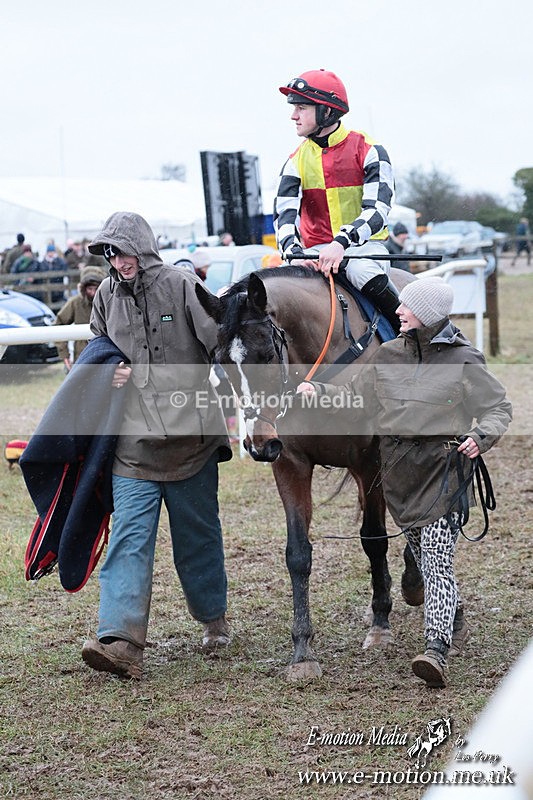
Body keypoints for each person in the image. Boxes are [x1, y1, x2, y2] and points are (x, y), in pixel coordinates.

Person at [296, 277, 512, 688]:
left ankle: (435, 651)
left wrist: (479, 437)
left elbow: (498, 406)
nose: (397, 310)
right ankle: (455, 613)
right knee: (424, 555)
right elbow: (355, 398)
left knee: (434, 563)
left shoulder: (464, 359)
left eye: (406, 307)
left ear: (426, 314)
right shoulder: (389, 355)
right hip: (399, 478)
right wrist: (317, 392)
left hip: (443, 471)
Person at [81, 211, 232, 680]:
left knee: (197, 538)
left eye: (123, 251)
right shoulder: (105, 294)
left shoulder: (183, 285)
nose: (117, 261)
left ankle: (214, 621)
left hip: (192, 444)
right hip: (132, 448)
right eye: (109, 252)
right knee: (128, 539)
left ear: (143, 249)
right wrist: (110, 373)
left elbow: (220, 344)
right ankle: (119, 640)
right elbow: (96, 353)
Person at [274, 69, 399, 332]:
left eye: (301, 108)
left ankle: (406, 337)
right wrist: (292, 250)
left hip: (362, 248)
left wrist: (341, 242)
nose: (293, 116)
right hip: (314, 253)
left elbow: (378, 211)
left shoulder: (370, 150)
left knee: (363, 274)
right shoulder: (295, 160)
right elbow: (284, 215)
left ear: (327, 112)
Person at [53, 265, 106, 371]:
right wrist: (65, 355)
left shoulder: (109, 302)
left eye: (96, 289)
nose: (93, 292)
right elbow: (58, 325)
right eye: (90, 289)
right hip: (82, 356)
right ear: (83, 288)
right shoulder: (75, 303)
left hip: (105, 354)